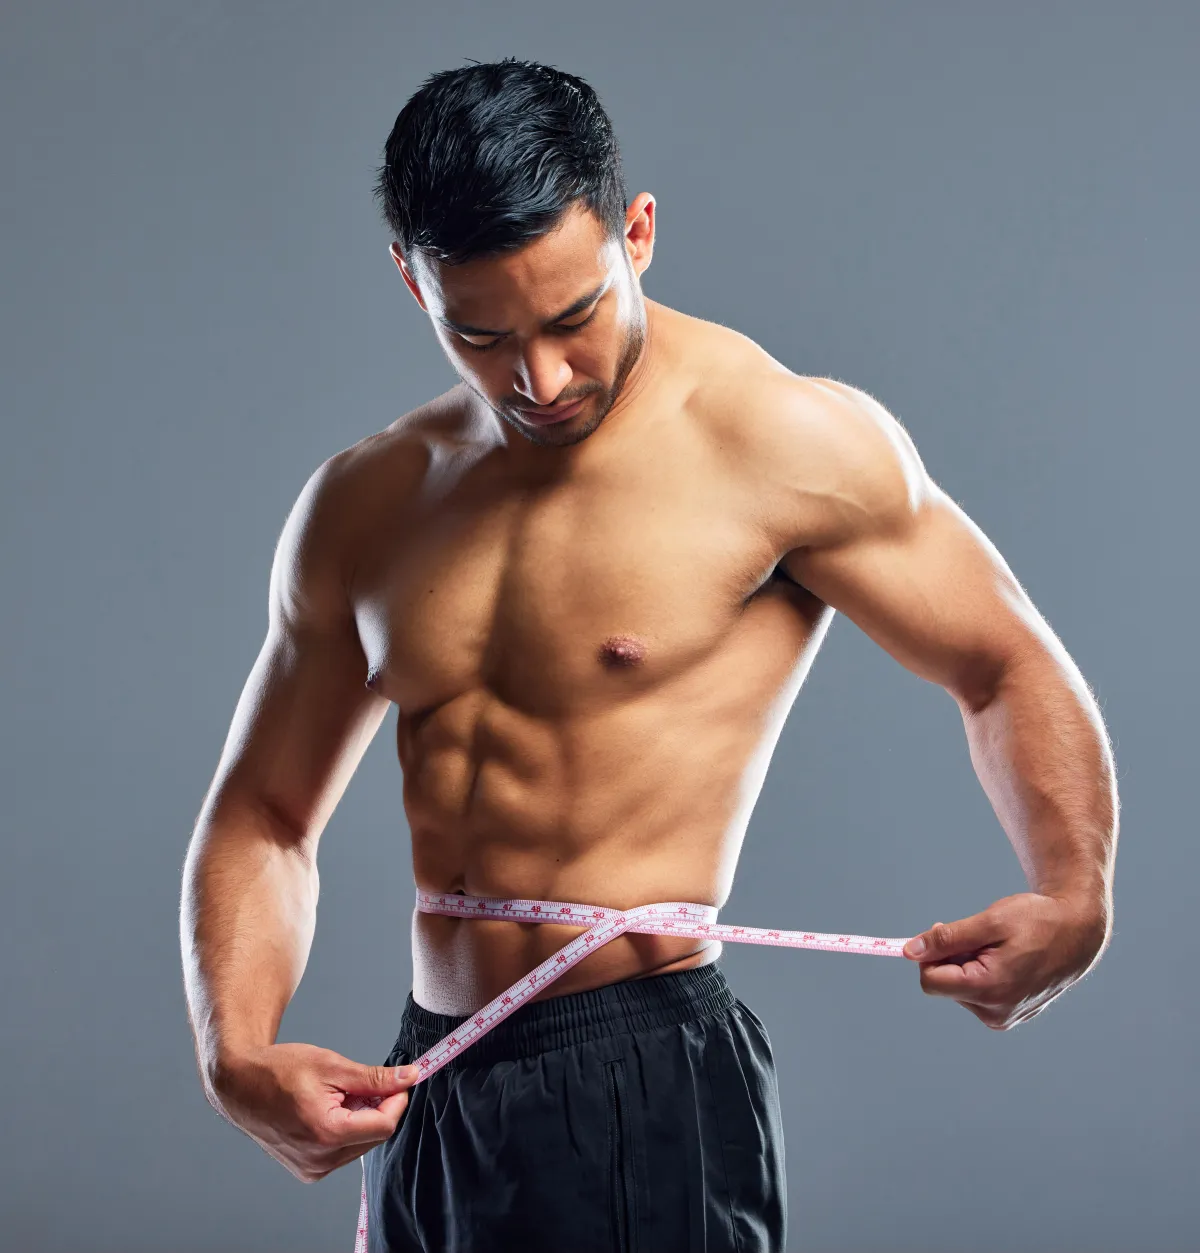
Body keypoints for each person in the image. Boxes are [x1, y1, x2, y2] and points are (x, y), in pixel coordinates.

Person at [180, 57, 1118, 1253]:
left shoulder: (777, 440)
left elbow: (1004, 662)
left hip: (641, 1072)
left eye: (573, 316)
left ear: (638, 233)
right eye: (481, 334)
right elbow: (265, 812)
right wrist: (237, 1047)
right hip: (433, 1076)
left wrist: (1074, 889)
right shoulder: (367, 504)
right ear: (413, 282)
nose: (540, 378)